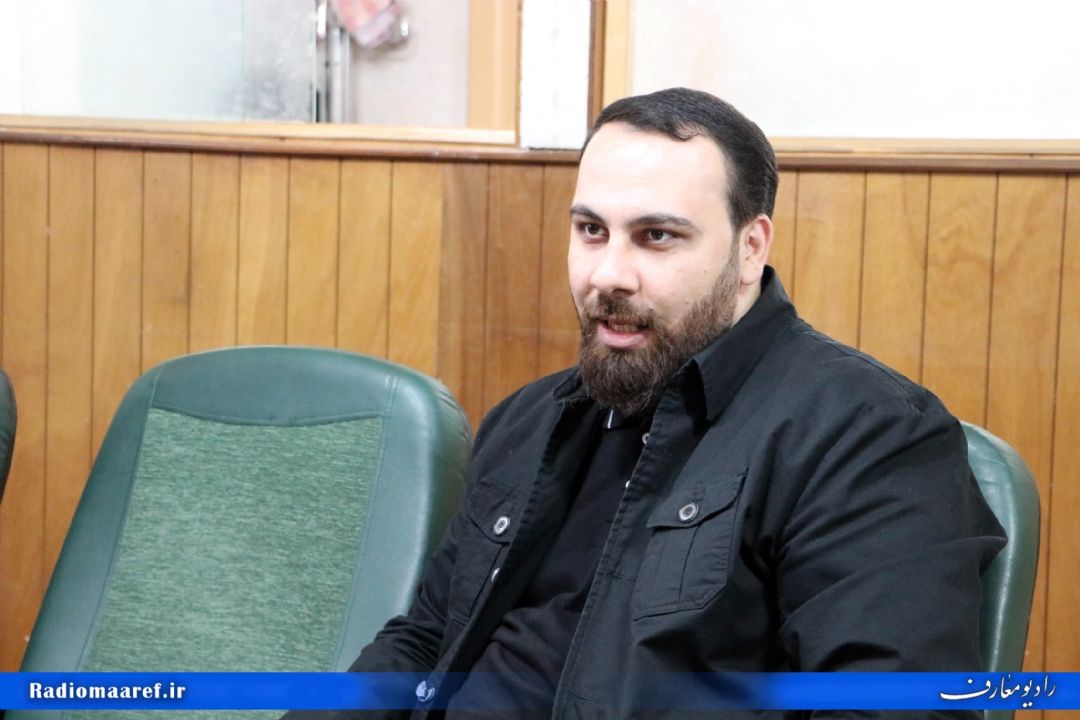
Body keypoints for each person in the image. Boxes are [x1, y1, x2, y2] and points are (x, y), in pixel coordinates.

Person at [285, 87, 1006, 719]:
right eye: (591, 230)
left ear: (749, 249)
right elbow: (425, 641)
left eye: (656, 237)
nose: (608, 275)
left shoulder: (868, 434)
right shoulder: (528, 420)